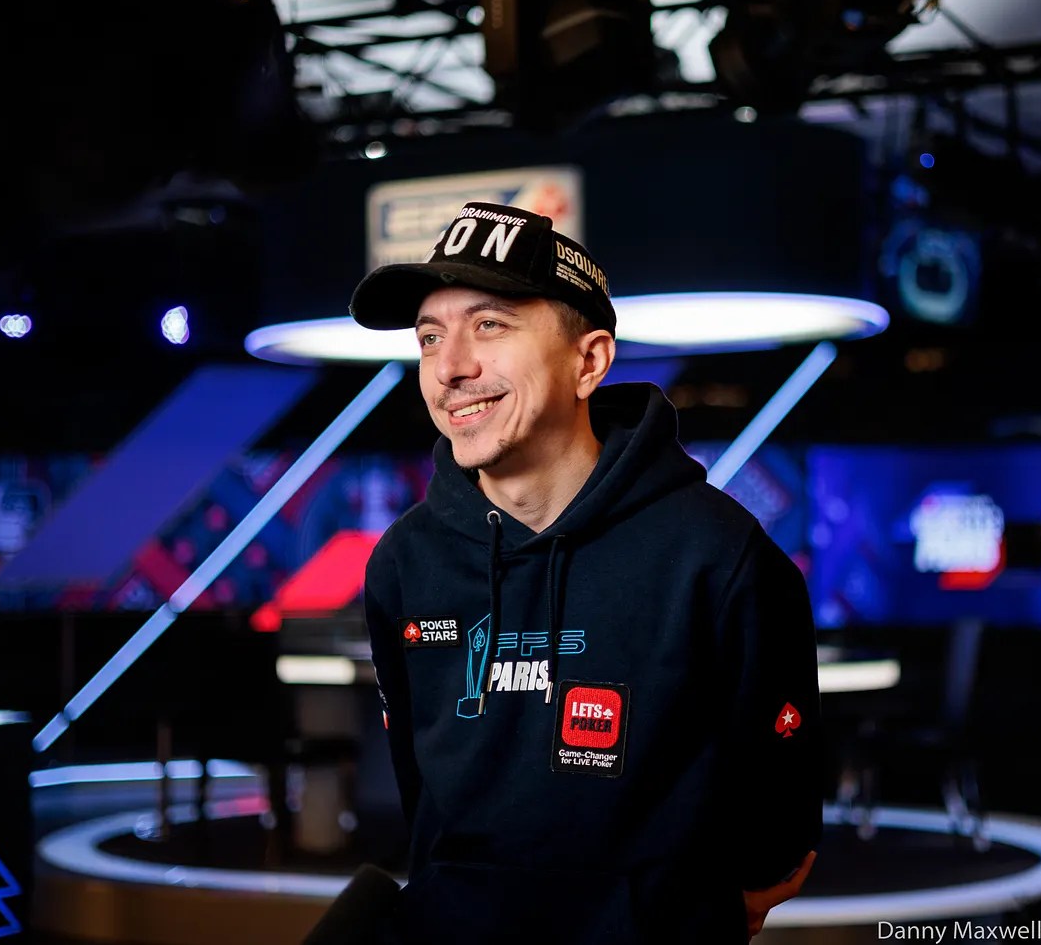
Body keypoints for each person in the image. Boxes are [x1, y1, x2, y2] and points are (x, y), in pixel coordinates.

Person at [350, 201, 824, 943]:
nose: (449, 367)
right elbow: (420, 791)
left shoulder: (719, 554)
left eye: (490, 325)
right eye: (430, 336)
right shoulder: (402, 562)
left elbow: (776, 819)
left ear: (590, 361)